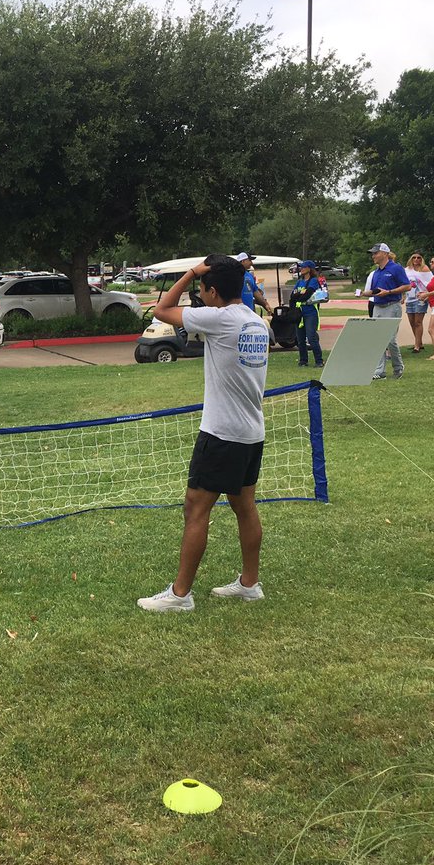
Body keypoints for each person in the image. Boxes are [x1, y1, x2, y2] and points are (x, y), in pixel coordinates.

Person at [137, 255, 269, 614]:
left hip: (222, 433)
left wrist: (193, 271)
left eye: (202, 289)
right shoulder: (255, 322)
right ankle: (249, 583)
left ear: (212, 290)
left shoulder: (220, 319)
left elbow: (161, 310)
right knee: (244, 506)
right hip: (251, 432)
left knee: (196, 508)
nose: (200, 295)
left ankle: (180, 595)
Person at [368, 243, 410, 380]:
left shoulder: (395, 268)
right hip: (378, 306)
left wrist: (390, 292)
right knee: (377, 339)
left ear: (385, 253)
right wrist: (364, 293)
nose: (373, 256)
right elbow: (376, 291)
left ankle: (398, 367)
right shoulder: (377, 272)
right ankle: (379, 371)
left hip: (392, 306)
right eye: (373, 253)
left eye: (376, 253)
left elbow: (407, 286)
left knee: (390, 340)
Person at [289, 260, 326, 368]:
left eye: (303, 267)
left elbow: (307, 294)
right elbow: (292, 296)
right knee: (300, 338)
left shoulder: (313, 281)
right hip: (299, 312)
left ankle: (319, 360)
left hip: (310, 312)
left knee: (311, 336)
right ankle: (303, 360)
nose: (301, 269)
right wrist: (300, 293)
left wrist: (299, 294)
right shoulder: (299, 281)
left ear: (309, 268)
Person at [403, 251, 431, 353]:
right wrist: (403, 296)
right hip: (409, 298)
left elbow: (431, 283)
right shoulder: (407, 270)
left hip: (420, 298)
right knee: (411, 322)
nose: (416, 260)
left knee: (418, 322)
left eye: (418, 257)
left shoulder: (424, 269)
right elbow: (404, 283)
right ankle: (419, 342)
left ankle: (417, 346)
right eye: (414, 257)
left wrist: (427, 294)